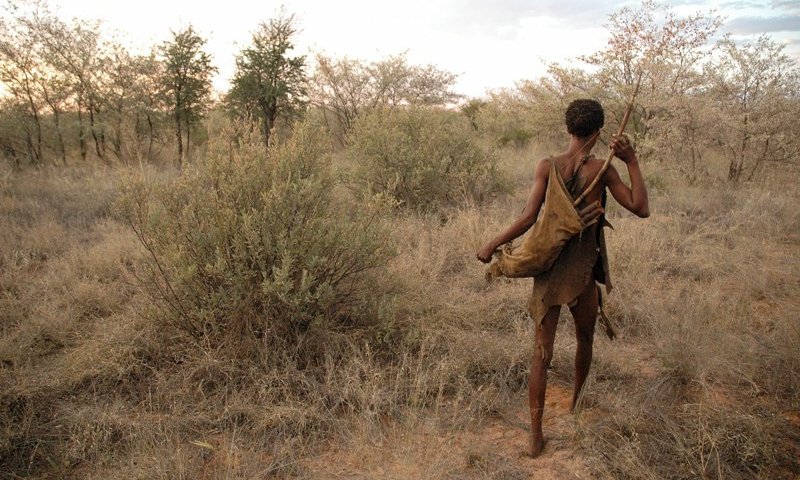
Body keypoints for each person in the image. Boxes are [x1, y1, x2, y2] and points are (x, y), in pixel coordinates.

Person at [476, 99, 649, 458]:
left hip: (549, 275)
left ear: (568, 129)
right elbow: (640, 208)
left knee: (541, 355)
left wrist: (492, 244)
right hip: (582, 274)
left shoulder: (547, 166)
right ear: (599, 133)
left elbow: (527, 218)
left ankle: (536, 436)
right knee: (586, 339)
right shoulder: (603, 171)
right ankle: (577, 406)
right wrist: (630, 160)